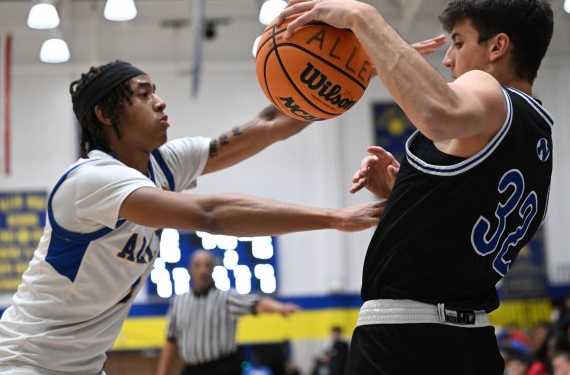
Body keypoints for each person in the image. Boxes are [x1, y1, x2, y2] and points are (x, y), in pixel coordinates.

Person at [0, 60, 384, 375]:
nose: (160, 102)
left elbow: (268, 126)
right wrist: (333, 217)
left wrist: (353, 74)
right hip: (26, 362)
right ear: (104, 113)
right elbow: (210, 214)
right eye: (143, 94)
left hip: (82, 367)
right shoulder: (91, 180)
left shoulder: (164, 166)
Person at [277, 0, 554, 374]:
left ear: (497, 47)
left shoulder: (489, 90)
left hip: (406, 339)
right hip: (470, 341)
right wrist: (405, 190)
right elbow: (465, 219)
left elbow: (436, 114)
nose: (448, 60)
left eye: (458, 42)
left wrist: (363, 17)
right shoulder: (538, 137)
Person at [156, 249, 299, 375]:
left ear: (213, 269)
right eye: (198, 266)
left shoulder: (227, 298)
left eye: (207, 265)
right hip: (193, 368)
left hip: (223, 367)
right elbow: (171, 341)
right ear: (190, 270)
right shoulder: (179, 302)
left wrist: (280, 308)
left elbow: (256, 303)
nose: (203, 270)